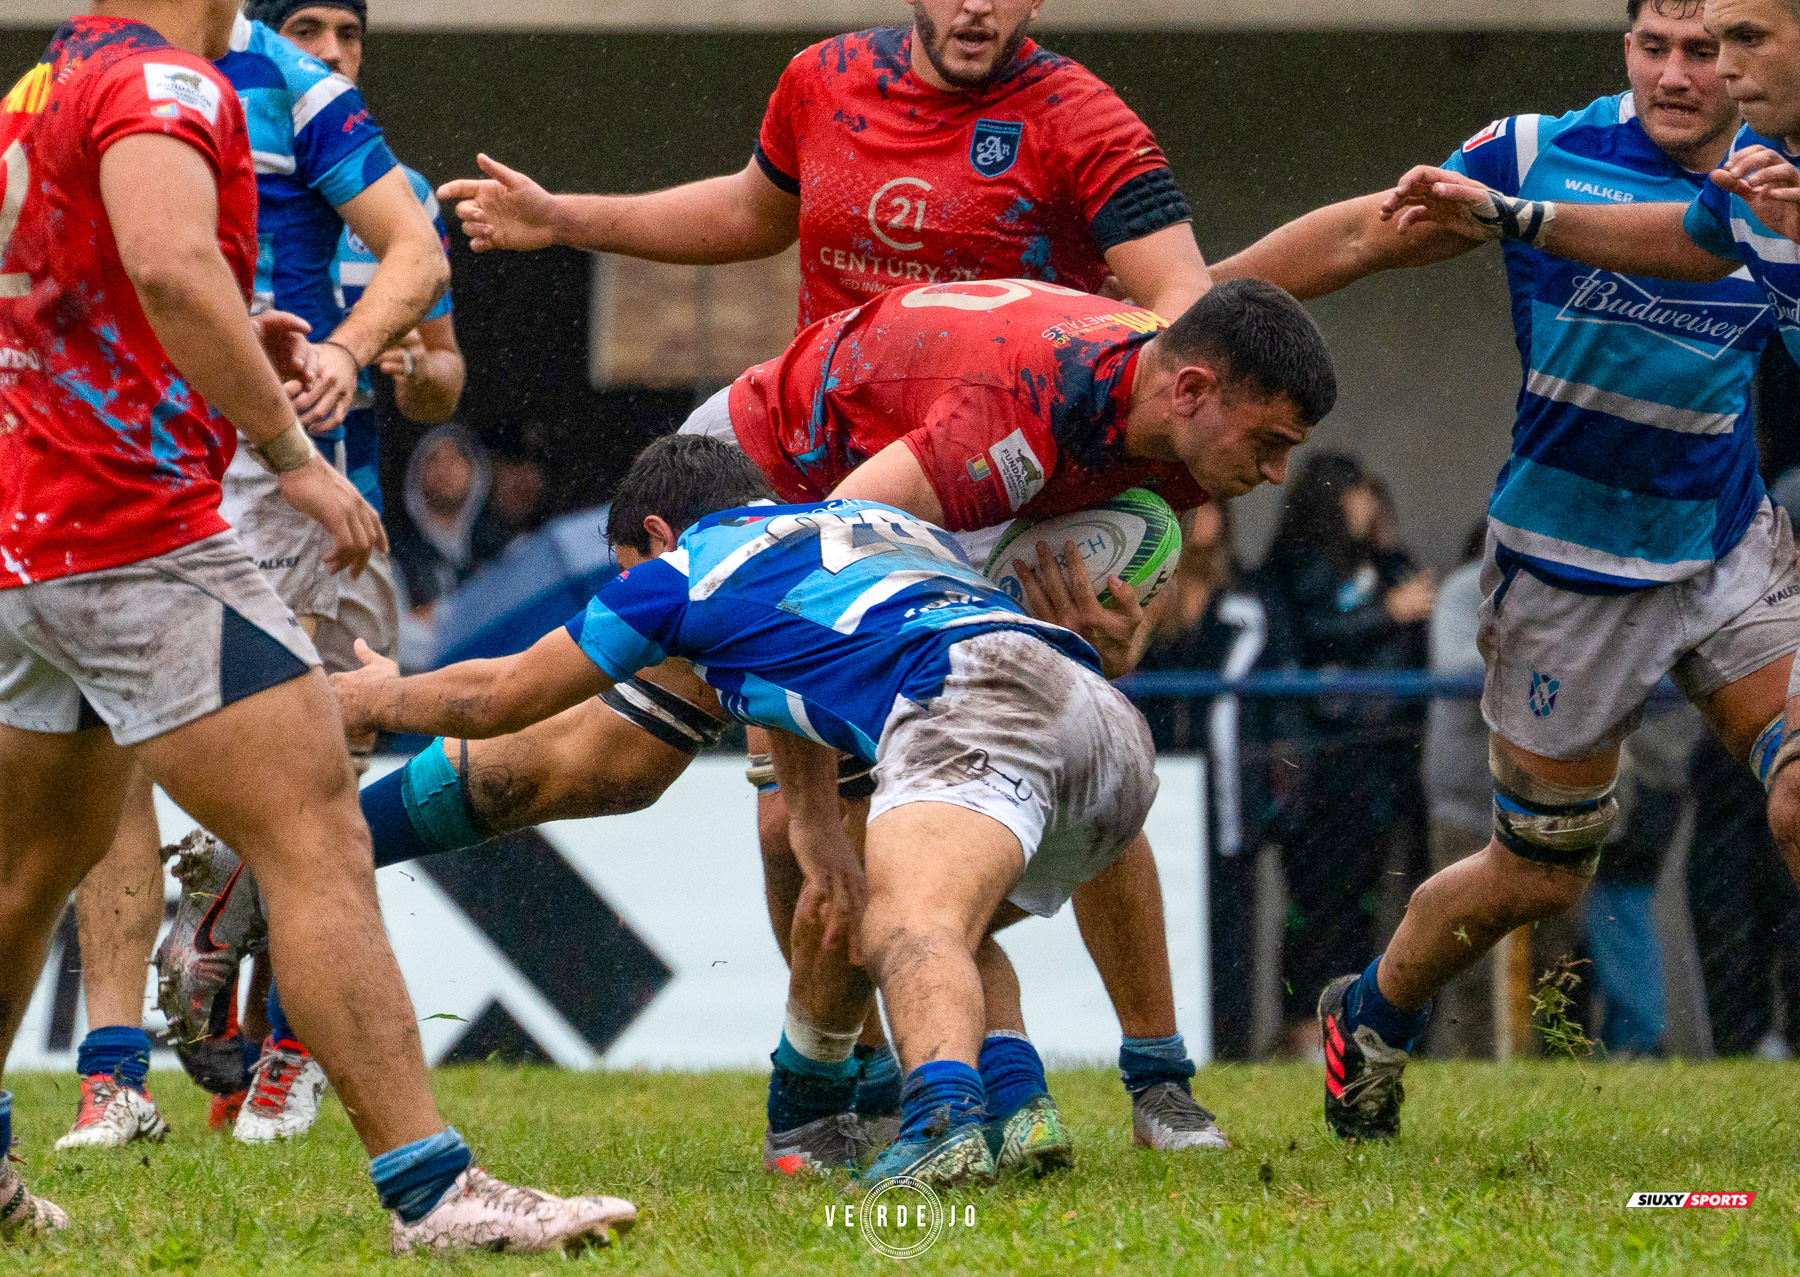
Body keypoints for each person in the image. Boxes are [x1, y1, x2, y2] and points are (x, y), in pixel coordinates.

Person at [252, 275, 1333, 1176]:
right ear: (1194, 384)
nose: (1277, 471)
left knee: (895, 892)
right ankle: (995, 1095)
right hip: (819, 478)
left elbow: (522, 686)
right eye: (1274, 441)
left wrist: (367, 693)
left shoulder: (1168, 415)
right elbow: (839, 543)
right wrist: (799, 795)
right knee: (678, 791)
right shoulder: (1024, 406)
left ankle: (923, 1107)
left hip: (913, 613)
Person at [435, 0, 1215, 1161]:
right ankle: (865, 1083)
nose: (975, 7)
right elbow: (754, 210)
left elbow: (1187, 323)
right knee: (739, 810)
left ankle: (1150, 1077)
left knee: (1068, 752)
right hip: (810, 458)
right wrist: (565, 217)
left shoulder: (1078, 119)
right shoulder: (822, 80)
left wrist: (1148, 533)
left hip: (984, 495)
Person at [0, 3, 632, 1251]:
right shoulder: (173, 90)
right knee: (315, 825)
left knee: (27, 872)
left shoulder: (41, 81)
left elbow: (81, 298)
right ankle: (433, 1186)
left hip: (28, 530)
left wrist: (239, 341)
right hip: (138, 533)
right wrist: (291, 452)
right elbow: (175, 271)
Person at [1217, 0, 1800, 1138]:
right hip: (1567, 570)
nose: (1683, 74)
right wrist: (1176, 310)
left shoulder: (1771, 174)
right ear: (1622, 47)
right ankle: (1372, 1010)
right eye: (1657, 47)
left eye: (1710, 49)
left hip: (1726, 549)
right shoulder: (1537, 152)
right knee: (1540, 874)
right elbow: (1358, 238)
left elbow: (1708, 243)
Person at [330, 434, 1161, 1191]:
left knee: (912, 926)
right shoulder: (864, 520)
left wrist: (381, 695)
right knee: (930, 912)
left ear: (658, 535)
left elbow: (503, 693)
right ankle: (1019, 1106)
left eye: (628, 568)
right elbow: (789, 670)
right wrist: (811, 821)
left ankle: (942, 1119)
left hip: (972, 701)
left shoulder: (685, 569)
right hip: (1106, 728)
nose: (632, 593)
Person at [62, 0, 452, 1149]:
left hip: (231, 485)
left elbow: (418, 261)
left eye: (353, 27)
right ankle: (120, 1067)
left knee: (304, 772)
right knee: (126, 780)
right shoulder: (104, 79)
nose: (334, 48)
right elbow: (154, 276)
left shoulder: (295, 99)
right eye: (313, 23)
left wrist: (347, 355)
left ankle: (274, 1040)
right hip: (131, 474)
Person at [1262, 454, 1436, 1058]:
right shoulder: (1295, 567)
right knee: (1312, 899)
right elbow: (1314, 635)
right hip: (1314, 764)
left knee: (1374, 897)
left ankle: (1359, 1021)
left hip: (1382, 760)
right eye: (1359, 493)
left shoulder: (1387, 566)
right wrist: (1387, 613)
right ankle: (1299, 1024)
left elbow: (1416, 635)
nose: (1370, 505)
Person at [1133, 501, 1298, 1059]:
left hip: (1231, 789)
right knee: (1155, 917)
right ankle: (1158, 1039)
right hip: (1157, 787)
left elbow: (1279, 690)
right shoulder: (1148, 595)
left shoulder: (1250, 598)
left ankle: (1232, 1046)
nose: (1203, 514)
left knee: (1232, 925)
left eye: (1212, 504)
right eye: (1191, 505)